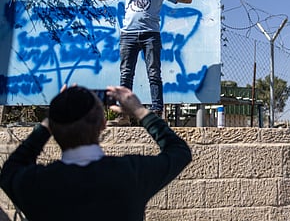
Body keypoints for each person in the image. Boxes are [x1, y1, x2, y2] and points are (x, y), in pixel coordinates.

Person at [0, 85, 192, 221]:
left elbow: (10, 169)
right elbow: (179, 152)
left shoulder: (36, 184)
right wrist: (140, 111)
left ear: (54, 127)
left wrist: (52, 120)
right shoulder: (130, 173)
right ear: (103, 124)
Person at [75, 0, 197, 125]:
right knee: (126, 75)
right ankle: (124, 115)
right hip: (128, 35)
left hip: (151, 35)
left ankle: (156, 112)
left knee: (154, 74)